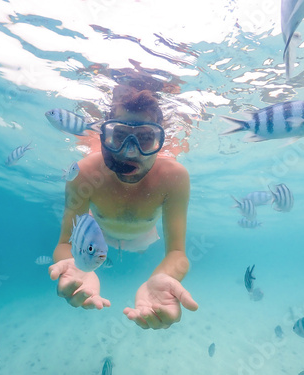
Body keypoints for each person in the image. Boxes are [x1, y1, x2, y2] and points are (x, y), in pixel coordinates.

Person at [48, 86, 198, 330]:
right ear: (103, 136)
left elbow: (177, 253)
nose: (130, 152)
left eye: (146, 138)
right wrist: (77, 267)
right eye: (120, 135)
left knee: (137, 249)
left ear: (160, 142)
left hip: (143, 239)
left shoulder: (174, 177)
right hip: (97, 239)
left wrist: (165, 277)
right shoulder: (84, 173)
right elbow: (66, 244)